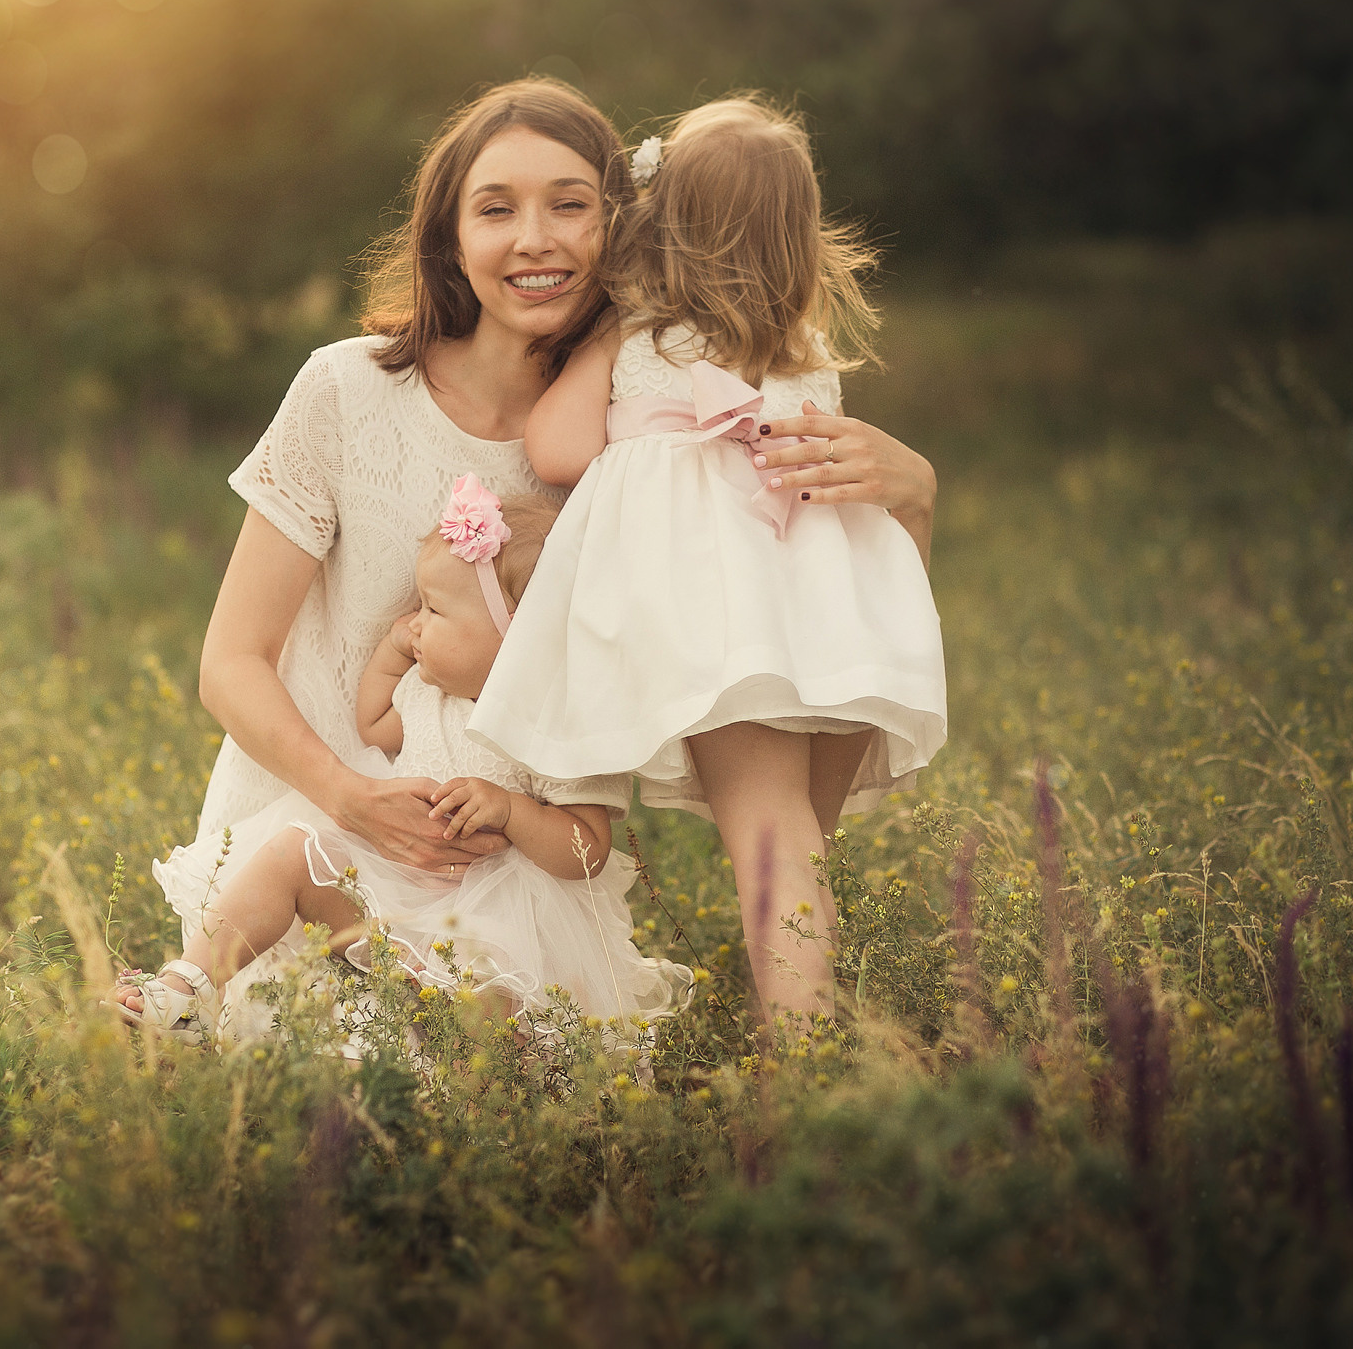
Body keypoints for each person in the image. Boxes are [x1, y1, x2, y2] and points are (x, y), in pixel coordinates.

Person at [135, 77, 938, 1034]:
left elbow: (783, 698)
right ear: (451, 236)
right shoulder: (344, 388)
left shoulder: (643, 454)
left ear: (629, 229)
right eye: (495, 209)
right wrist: (353, 797)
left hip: (515, 872)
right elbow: (229, 665)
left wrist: (915, 492)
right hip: (313, 846)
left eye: (570, 205)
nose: (536, 239)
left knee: (490, 1077)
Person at [468, 95, 949, 1029]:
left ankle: (798, 1051)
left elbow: (559, 450)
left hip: (734, 633)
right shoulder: (808, 359)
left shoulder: (646, 343)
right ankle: (804, 1009)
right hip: (836, 623)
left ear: (662, 222)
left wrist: (603, 343)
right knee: (799, 834)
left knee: (770, 836)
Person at [122, 476, 691, 1041]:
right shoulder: (428, 694)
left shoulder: (555, 725)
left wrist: (513, 811)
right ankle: (187, 987)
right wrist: (396, 654)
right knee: (294, 851)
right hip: (397, 893)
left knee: (498, 1021)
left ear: (517, 639)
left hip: (502, 926)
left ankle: (476, 1075)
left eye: (434, 611)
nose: (413, 622)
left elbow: (587, 849)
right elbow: (373, 723)